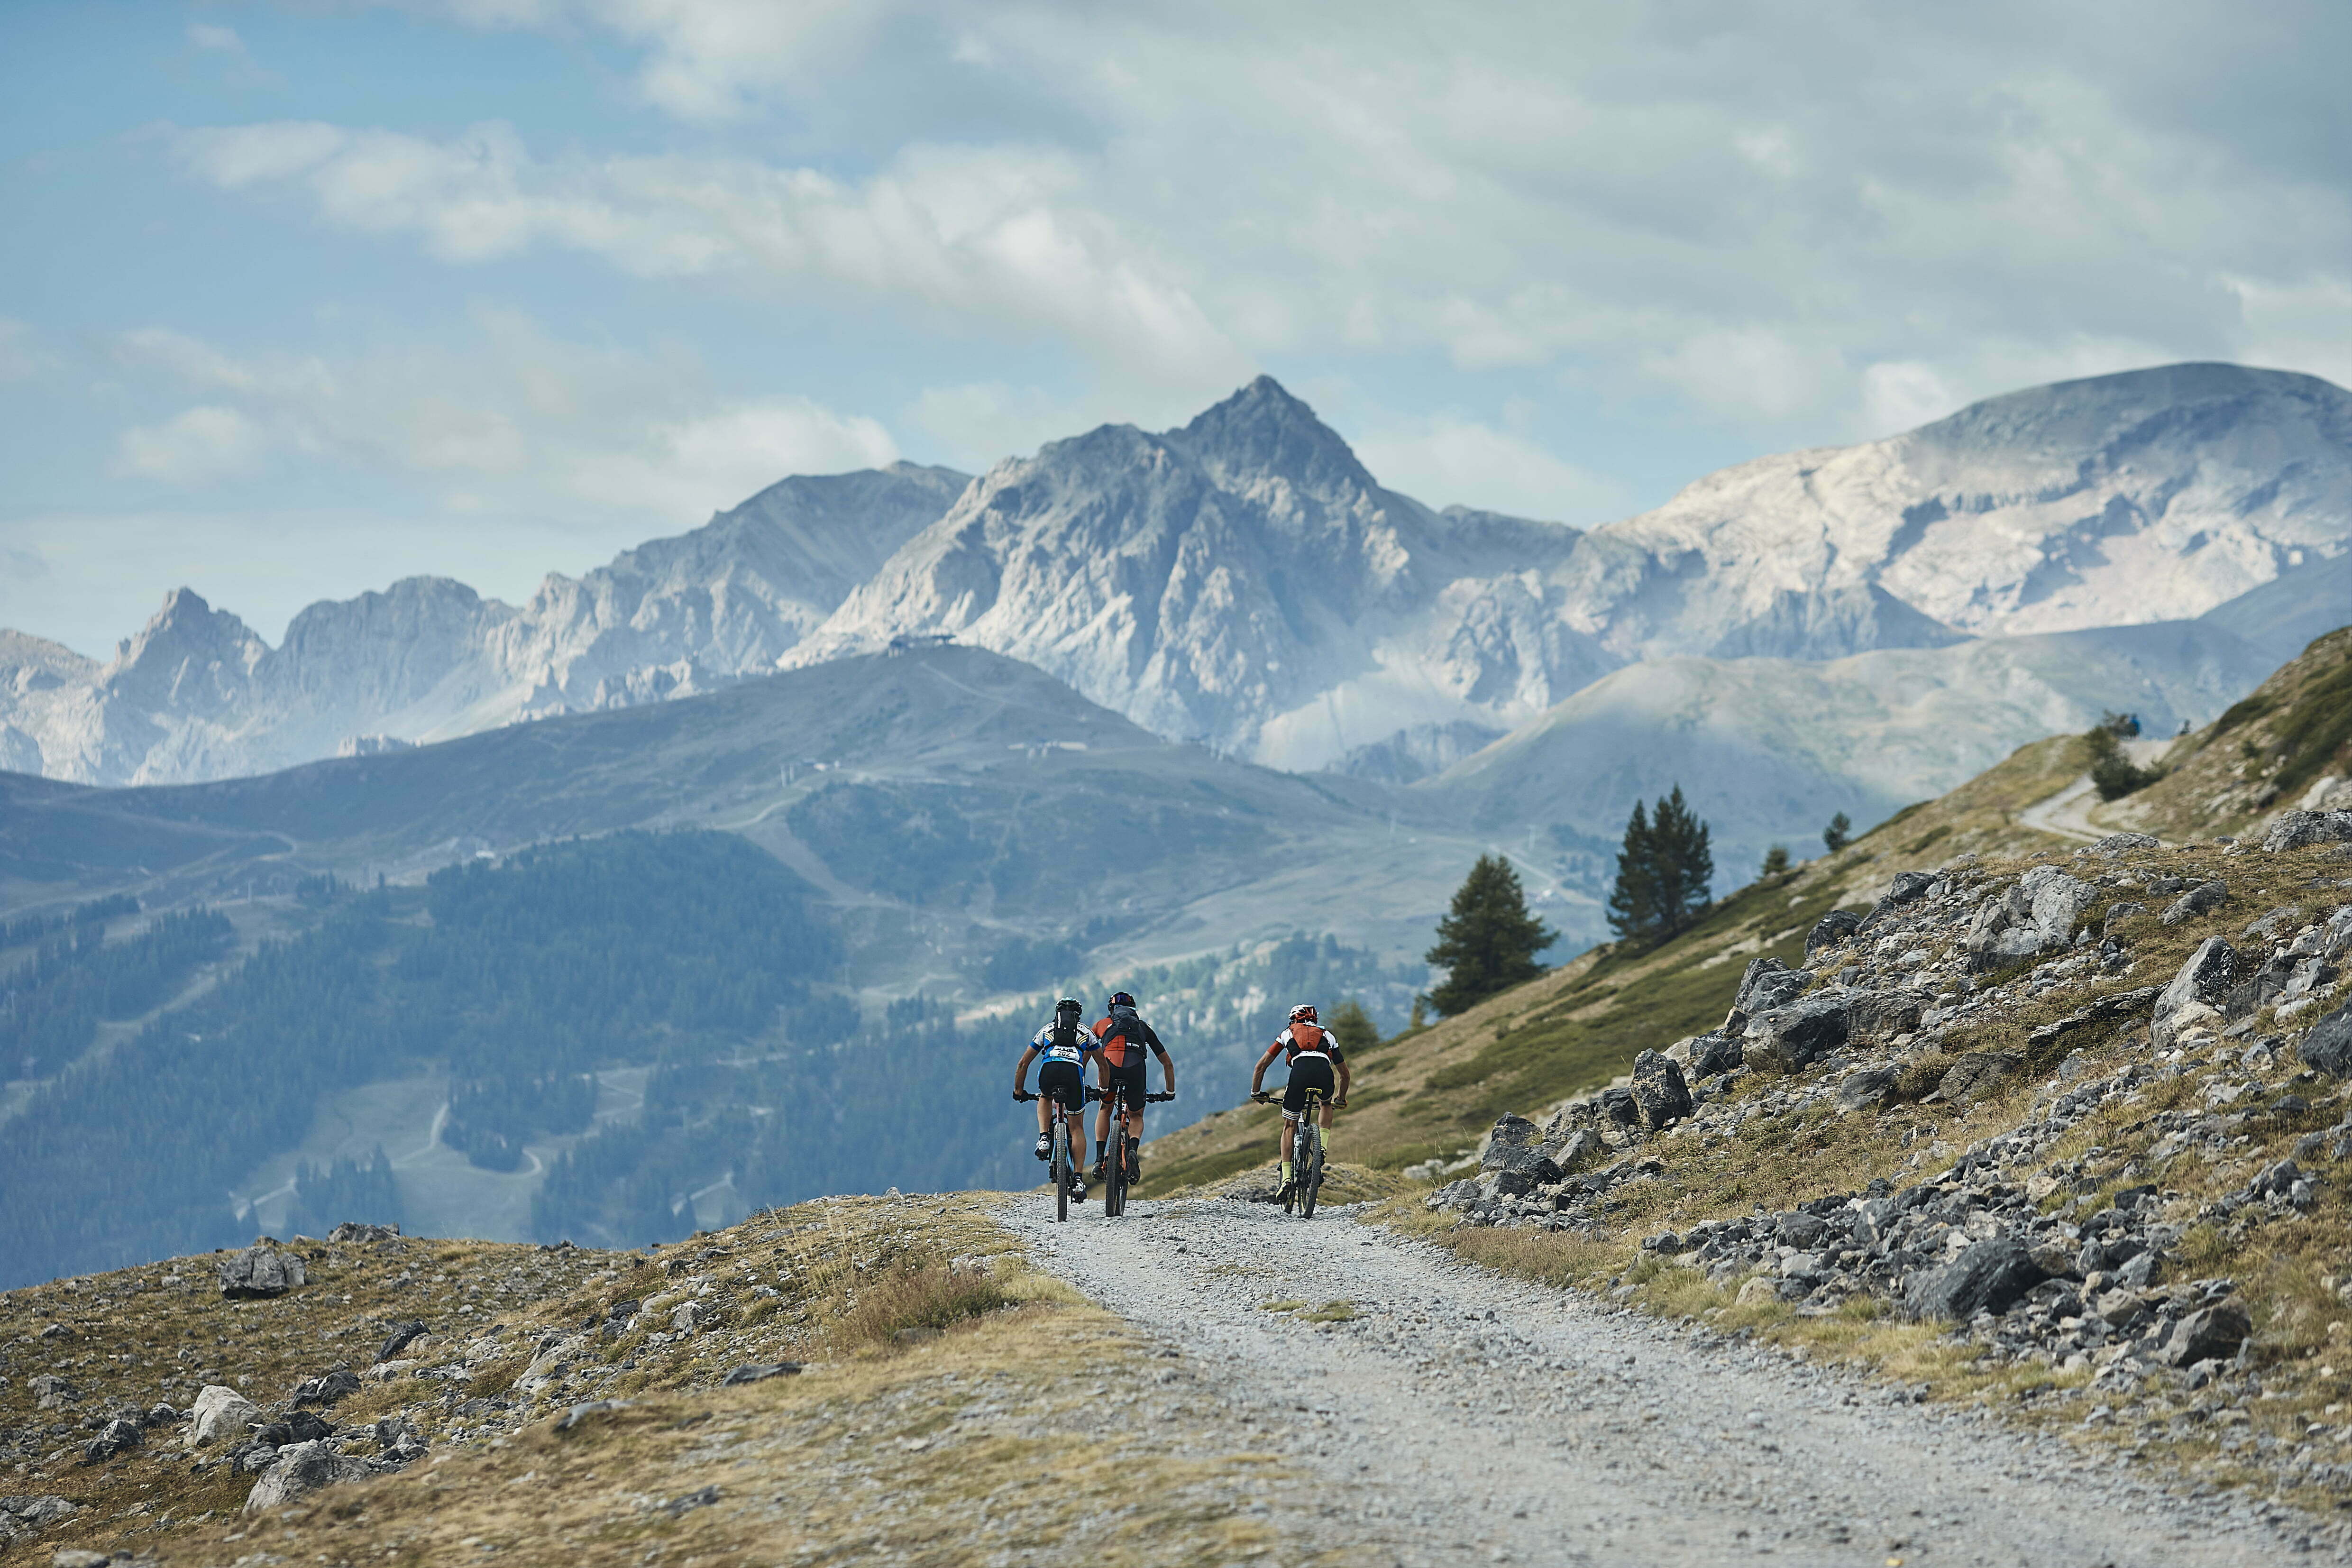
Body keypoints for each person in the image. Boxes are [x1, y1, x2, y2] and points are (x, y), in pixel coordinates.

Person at [1250, 1002, 1350, 1204]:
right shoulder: (1328, 1035)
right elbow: (1345, 1075)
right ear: (1315, 1020)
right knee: (1325, 1104)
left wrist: (1256, 1093)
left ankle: (1286, 1177)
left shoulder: (1287, 1033)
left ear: (1293, 1020)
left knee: (1289, 1125)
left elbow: (1261, 1066)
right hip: (1324, 1076)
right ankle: (1322, 1147)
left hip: (1299, 1075)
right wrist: (1340, 1099)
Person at [1014, 998, 1097, 1201]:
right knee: (1077, 1128)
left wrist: (1019, 1090)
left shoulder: (1047, 1030)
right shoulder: (1086, 1032)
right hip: (1074, 1074)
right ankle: (1078, 1179)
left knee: (1045, 1095)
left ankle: (1044, 1138)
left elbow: (1023, 1063)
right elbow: (1102, 1065)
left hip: (1049, 1071)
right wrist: (1103, 1090)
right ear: (1078, 1016)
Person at [1090, 990, 1175, 1183]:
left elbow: (1087, 1052)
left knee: (1105, 1109)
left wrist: (1084, 1082)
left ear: (1111, 1010)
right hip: (1136, 1069)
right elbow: (1167, 1064)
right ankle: (1132, 1151)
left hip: (1110, 1067)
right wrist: (1170, 1092)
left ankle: (1098, 1160)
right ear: (1133, 1010)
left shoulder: (1101, 1024)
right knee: (1136, 1115)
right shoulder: (1143, 1027)